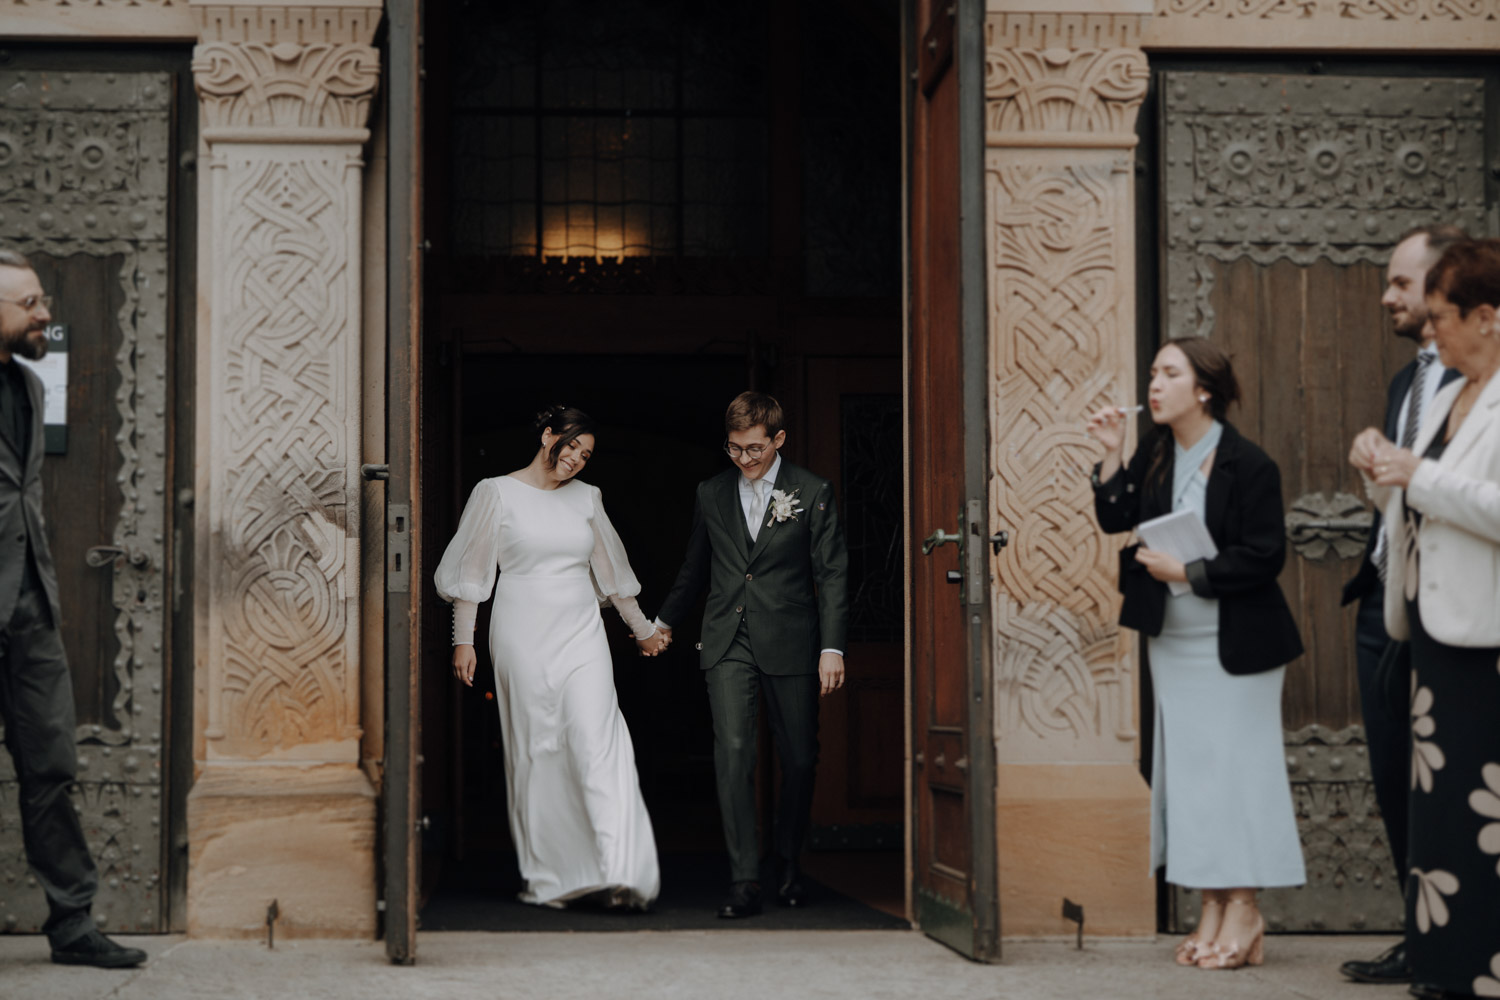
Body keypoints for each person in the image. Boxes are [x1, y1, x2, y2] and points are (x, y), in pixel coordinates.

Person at [1087, 337, 1306, 971]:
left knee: (1237, 772)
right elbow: (1114, 517)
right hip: (1173, 641)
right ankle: (1212, 903)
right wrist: (1110, 454)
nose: (1154, 384)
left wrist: (1187, 570)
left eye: (1170, 373)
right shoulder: (1156, 453)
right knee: (1191, 777)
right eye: (1153, 373)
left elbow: (1265, 555)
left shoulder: (1250, 463)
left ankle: (1245, 905)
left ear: (1203, 389)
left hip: (1237, 643)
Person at [434, 405, 665, 909]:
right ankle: (555, 878)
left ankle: (622, 872)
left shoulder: (588, 497)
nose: (578, 460)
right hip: (519, 629)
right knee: (537, 750)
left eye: (586, 455)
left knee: (596, 738)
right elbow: (472, 573)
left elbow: (611, 573)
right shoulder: (494, 491)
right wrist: (464, 639)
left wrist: (643, 630)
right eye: (572, 447)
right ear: (548, 436)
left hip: (581, 630)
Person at [1349, 238, 1500, 1000]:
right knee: (1438, 821)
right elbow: (1416, 498)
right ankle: (1442, 971)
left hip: (1488, 644)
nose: (1431, 332)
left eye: (1442, 317)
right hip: (1432, 638)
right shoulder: (1444, 394)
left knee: (1487, 822)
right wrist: (1383, 471)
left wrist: (1424, 477)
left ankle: (1486, 972)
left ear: (1489, 315)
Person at [0, 249, 146, 968]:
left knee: (51, 765)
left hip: (29, 607)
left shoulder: (26, 385)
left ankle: (72, 923)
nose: (45, 315)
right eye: (30, 305)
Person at [655, 391, 848, 918]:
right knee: (733, 754)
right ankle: (744, 879)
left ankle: (787, 863)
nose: (744, 459)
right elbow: (695, 567)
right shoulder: (711, 492)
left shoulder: (812, 491)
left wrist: (832, 646)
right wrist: (661, 621)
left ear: (778, 439)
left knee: (801, 759)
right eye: (735, 449)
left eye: (755, 448)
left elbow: (831, 575)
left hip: (793, 641)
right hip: (726, 641)